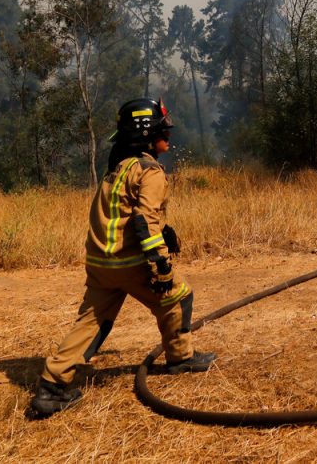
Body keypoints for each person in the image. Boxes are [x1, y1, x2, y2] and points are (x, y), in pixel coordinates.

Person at [30, 97, 216, 417]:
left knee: (91, 321)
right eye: (163, 131)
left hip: (101, 264)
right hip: (131, 263)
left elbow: (124, 214)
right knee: (178, 296)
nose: (168, 136)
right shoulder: (150, 170)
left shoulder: (118, 168)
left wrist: (165, 229)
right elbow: (143, 219)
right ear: (146, 134)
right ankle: (180, 358)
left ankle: (52, 386)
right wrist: (160, 265)